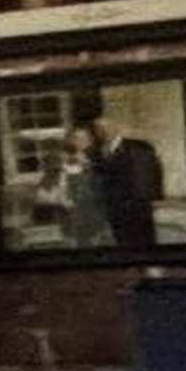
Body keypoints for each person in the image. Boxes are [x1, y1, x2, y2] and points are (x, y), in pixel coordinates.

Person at [78, 91, 166, 252]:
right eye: (98, 129)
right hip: (111, 205)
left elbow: (154, 170)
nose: (103, 131)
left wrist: (156, 196)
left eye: (106, 127)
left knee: (146, 241)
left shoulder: (139, 146)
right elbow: (94, 176)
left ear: (115, 128)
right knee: (121, 241)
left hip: (137, 204)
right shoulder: (93, 153)